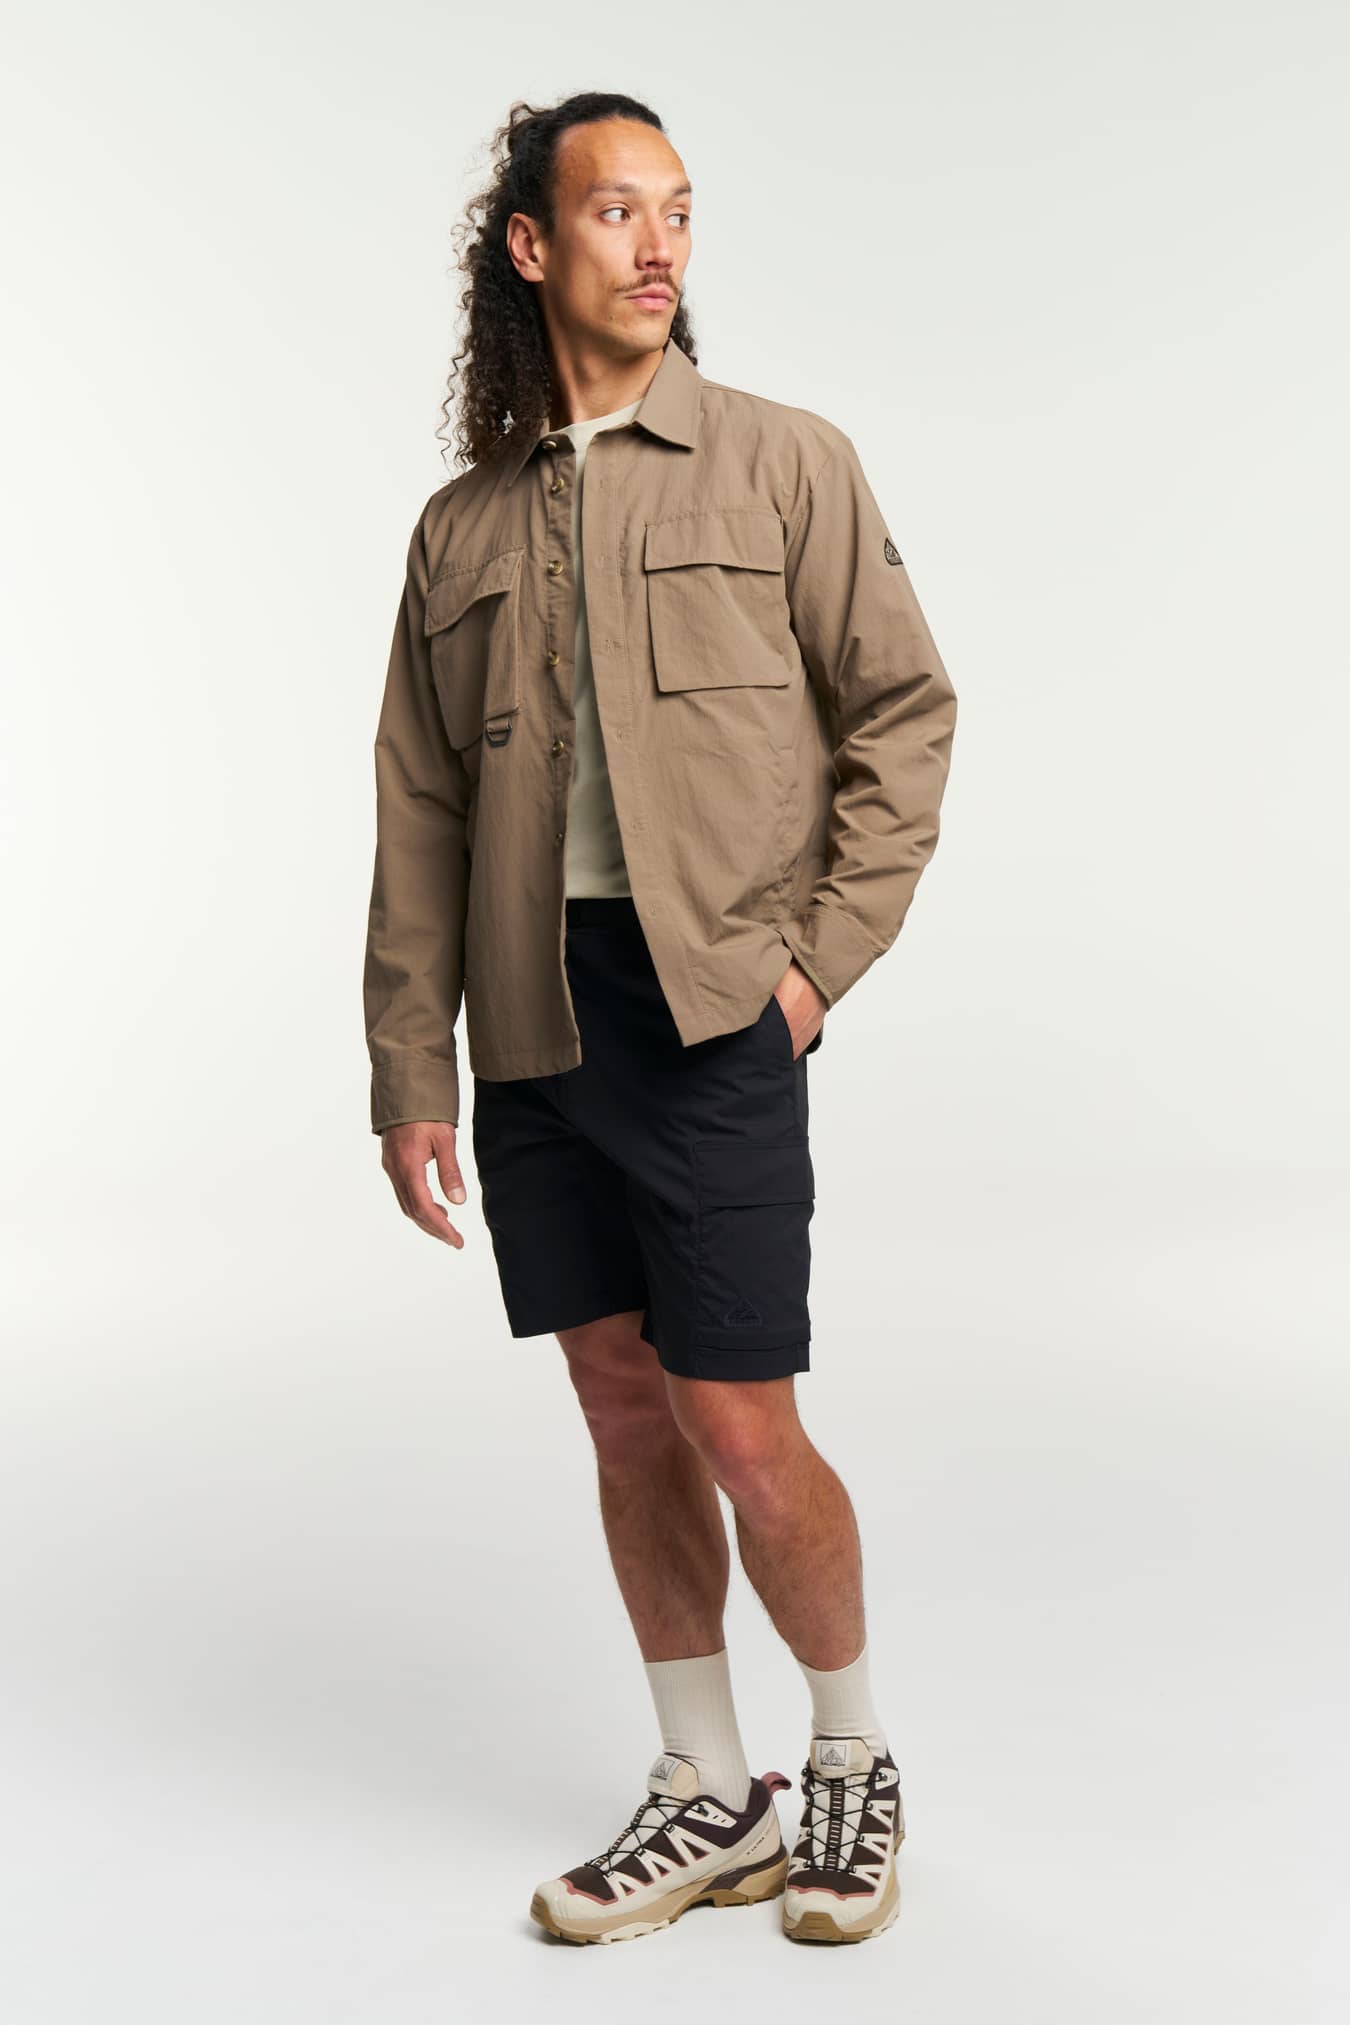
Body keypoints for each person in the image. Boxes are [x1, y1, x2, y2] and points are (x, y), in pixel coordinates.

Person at [362, 89, 957, 1948]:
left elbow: (903, 717)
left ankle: (848, 1753)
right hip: (533, 1023)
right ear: (532, 246)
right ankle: (707, 1785)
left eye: (677, 211)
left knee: (738, 1419)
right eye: (617, 211)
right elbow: (420, 811)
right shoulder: (462, 528)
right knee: (622, 1410)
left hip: (711, 1011)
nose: (657, 244)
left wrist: (809, 973)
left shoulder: (783, 463)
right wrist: (410, 1063)